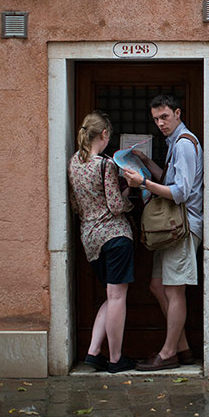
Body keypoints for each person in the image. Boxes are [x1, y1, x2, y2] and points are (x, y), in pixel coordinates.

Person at [123, 94, 204, 371]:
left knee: (173, 289)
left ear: (177, 113)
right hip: (169, 229)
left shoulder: (184, 145)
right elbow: (168, 180)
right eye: (156, 119)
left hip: (181, 227)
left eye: (164, 117)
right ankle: (182, 349)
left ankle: (168, 353)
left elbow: (180, 193)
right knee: (158, 286)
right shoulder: (174, 144)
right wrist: (145, 160)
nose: (160, 123)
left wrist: (142, 182)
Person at [67, 111, 136, 373]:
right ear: (104, 134)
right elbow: (117, 206)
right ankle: (116, 359)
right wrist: (131, 189)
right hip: (114, 236)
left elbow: (75, 204)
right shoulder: (105, 165)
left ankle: (94, 352)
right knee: (117, 297)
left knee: (111, 296)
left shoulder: (73, 163)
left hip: (90, 239)